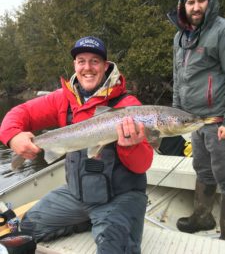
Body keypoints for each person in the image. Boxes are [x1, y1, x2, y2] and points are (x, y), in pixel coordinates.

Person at [0, 36, 153, 253]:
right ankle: (88, 220)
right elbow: (20, 112)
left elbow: (142, 165)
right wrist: (12, 136)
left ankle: (103, 221)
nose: (87, 68)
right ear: (75, 65)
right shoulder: (63, 99)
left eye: (94, 61)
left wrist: (131, 145)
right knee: (25, 230)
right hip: (76, 195)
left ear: (106, 66)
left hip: (120, 197)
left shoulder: (129, 107)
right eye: (81, 61)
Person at [167, 0, 225, 239]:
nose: (196, 7)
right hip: (191, 118)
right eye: (190, 2)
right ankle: (202, 217)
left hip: (218, 119)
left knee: (223, 172)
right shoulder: (180, 38)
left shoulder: (221, 31)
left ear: (210, 0)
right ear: (183, 4)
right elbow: (179, 79)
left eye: (201, 0)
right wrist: (175, 113)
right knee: (202, 168)